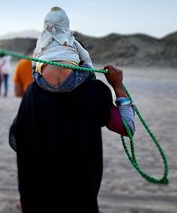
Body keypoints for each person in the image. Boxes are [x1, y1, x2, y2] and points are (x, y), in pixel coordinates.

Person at [10, 64, 136, 213]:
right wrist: (118, 86)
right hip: (80, 192)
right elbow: (126, 127)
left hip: (38, 194)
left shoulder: (33, 90)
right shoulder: (95, 90)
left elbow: (18, 137)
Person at [33, 6, 95, 92]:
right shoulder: (71, 40)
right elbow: (86, 58)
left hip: (44, 82)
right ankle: (93, 84)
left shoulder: (41, 43)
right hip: (70, 81)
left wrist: (34, 68)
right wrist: (89, 69)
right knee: (87, 67)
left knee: (34, 69)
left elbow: (34, 59)